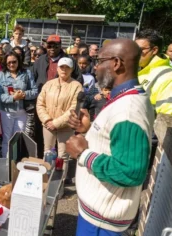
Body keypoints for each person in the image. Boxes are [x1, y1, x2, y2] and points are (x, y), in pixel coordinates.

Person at [66, 38, 155, 236]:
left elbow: (130, 172)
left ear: (116, 63)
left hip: (102, 222)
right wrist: (86, 130)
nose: (95, 67)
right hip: (99, 212)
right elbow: (112, 143)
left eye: (99, 60)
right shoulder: (125, 98)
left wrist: (83, 154)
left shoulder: (128, 110)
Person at [31, 34, 83, 158]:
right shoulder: (40, 61)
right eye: (49, 45)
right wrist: (47, 119)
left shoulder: (69, 61)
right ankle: (44, 168)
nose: (52, 48)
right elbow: (32, 80)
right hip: (46, 109)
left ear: (60, 46)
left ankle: (62, 175)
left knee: (63, 153)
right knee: (45, 147)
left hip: (64, 111)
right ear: (46, 46)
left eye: (55, 45)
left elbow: (78, 81)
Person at [36, 57, 82, 163]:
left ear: (72, 70)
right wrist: (47, 120)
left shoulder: (76, 86)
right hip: (48, 125)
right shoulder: (48, 84)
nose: (64, 70)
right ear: (57, 68)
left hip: (66, 127)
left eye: (67, 68)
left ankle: (62, 179)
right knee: (47, 153)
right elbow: (40, 104)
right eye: (62, 67)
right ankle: (46, 177)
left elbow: (74, 108)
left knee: (63, 156)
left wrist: (56, 123)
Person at [0, 52, 38, 158]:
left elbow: (35, 91)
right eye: (9, 62)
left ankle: (15, 161)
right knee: (7, 138)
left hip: (22, 111)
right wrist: (13, 98)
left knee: (18, 137)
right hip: (7, 111)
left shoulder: (27, 73)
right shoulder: (1, 75)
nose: (11, 64)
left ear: (19, 61)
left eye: (14, 62)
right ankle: (5, 161)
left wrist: (24, 95)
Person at [135, 29, 172, 115]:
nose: (135, 53)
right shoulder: (139, 71)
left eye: (140, 50)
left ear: (154, 50)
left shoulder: (167, 77)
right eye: (134, 49)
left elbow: (167, 117)